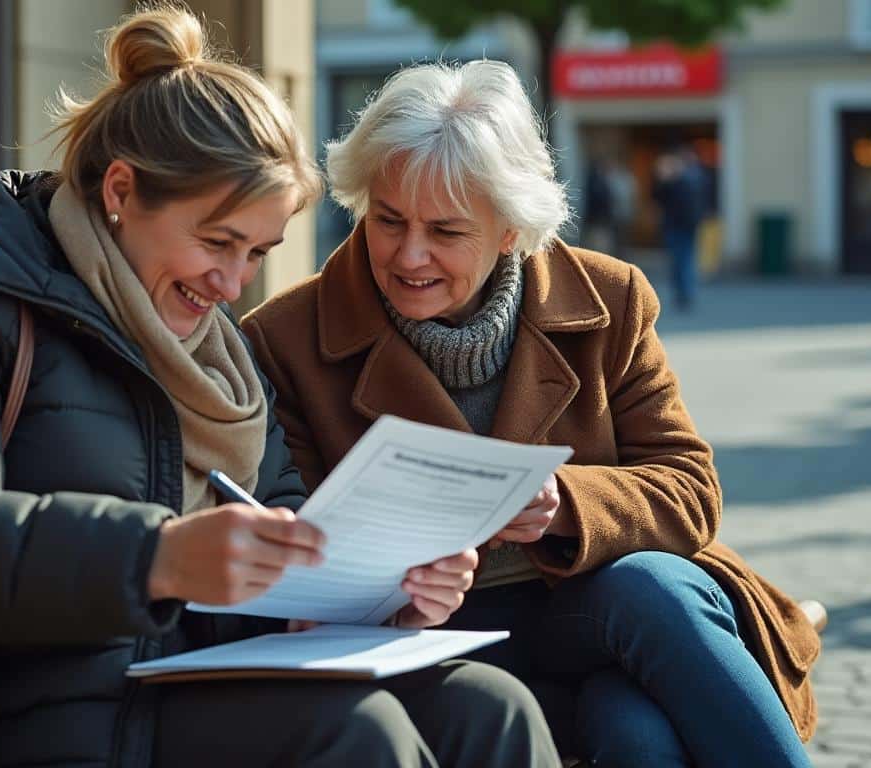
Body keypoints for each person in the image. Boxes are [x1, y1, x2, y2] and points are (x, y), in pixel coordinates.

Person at [0, 8, 559, 768]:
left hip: (189, 684)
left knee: (489, 708)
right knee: (356, 733)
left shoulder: (217, 354)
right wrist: (156, 558)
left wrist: (385, 591)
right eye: (217, 243)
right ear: (121, 190)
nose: (234, 282)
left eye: (257, 253)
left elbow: (281, 514)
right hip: (25, 715)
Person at [242, 60, 821, 767]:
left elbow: (692, 491)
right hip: (434, 639)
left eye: (447, 232)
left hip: (596, 605)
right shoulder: (286, 339)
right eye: (387, 220)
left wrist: (564, 504)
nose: (408, 254)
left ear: (512, 230)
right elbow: (295, 554)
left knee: (650, 590)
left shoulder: (611, 299)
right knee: (632, 727)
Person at [652, 144, 707, 310]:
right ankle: (683, 294)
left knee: (683, 262)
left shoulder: (687, 180)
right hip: (679, 227)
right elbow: (657, 198)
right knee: (680, 262)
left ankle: (685, 294)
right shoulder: (679, 180)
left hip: (682, 227)